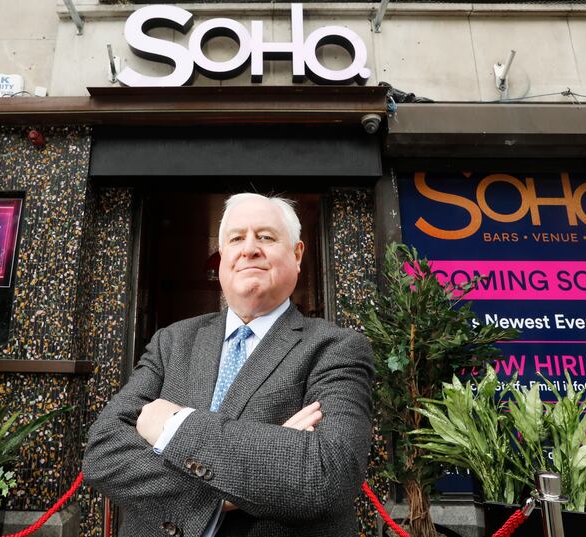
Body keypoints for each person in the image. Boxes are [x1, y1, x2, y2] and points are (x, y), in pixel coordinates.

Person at [83, 193, 374, 537]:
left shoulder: (337, 348)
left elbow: (328, 473)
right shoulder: (172, 342)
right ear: (223, 259)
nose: (249, 249)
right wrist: (271, 457)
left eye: (265, 237)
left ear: (296, 255)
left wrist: (174, 426)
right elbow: (102, 453)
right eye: (237, 238)